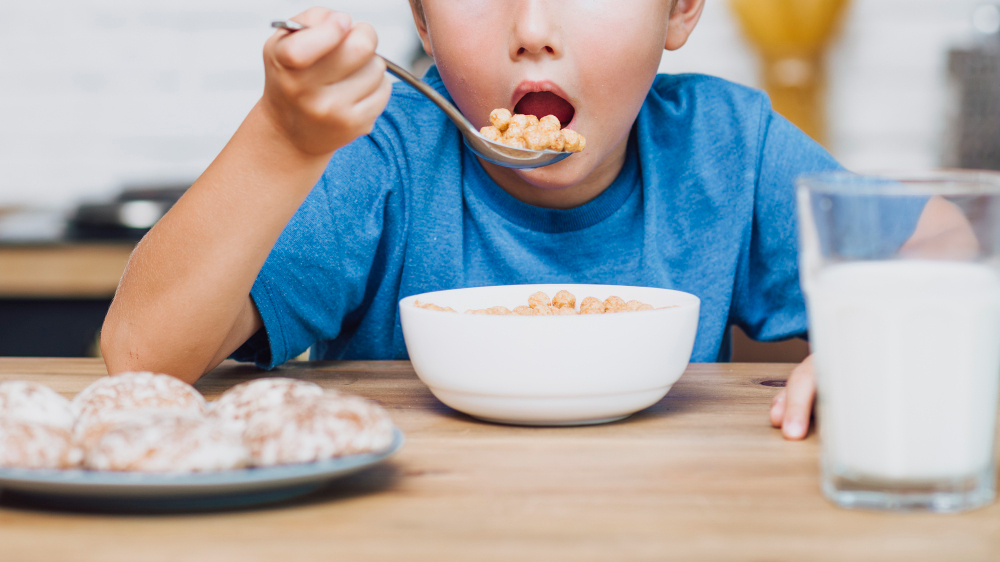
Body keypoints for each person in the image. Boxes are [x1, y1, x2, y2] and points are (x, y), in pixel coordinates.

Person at [101, 0, 836, 440]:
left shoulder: (728, 147)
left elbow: (939, 244)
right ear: (421, 15)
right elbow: (141, 358)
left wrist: (875, 347)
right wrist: (279, 142)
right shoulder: (379, 157)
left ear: (678, 7)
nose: (534, 28)